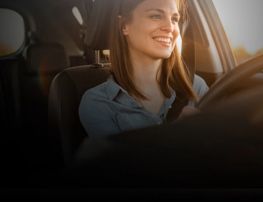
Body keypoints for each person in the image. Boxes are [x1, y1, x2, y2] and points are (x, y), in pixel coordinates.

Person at [79, 0, 208, 138]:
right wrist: (178, 137)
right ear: (124, 26)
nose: (170, 27)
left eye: (175, 19)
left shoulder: (195, 87)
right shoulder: (98, 103)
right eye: (156, 16)